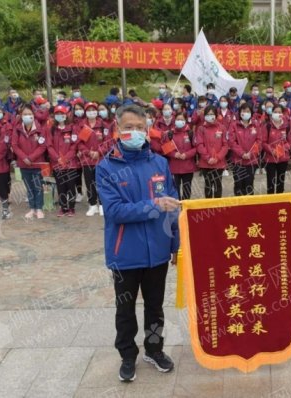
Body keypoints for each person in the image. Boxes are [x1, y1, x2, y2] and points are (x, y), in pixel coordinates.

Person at [96, 104, 180, 382]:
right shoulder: (106, 168)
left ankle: (154, 349)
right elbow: (116, 211)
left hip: (157, 251)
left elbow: (173, 207)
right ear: (117, 130)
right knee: (126, 309)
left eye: (140, 127)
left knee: (155, 307)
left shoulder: (159, 163)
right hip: (124, 254)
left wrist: (174, 244)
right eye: (128, 127)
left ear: (147, 129)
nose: (134, 132)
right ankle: (128, 354)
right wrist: (154, 205)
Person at [11, 104, 47, 219]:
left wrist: (30, 158)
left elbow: (43, 146)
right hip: (23, 164)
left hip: (37, 164)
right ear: (21, 116)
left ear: (34, 115)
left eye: (30, 114)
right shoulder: (17, 129)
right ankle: (32, 208)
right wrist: (24, 158)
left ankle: (39, 208)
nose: (27, 116)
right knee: (29, 187)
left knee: (38, 187)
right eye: (25, 114)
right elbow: (14, 145)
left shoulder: (40, 128)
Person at [76, 102, 111, 216]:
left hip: (101, 160)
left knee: (101, 183)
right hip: (87, 160)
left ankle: (102, 204)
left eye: (94, 110)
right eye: (89, 110)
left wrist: (99, 152)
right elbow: (80, 144)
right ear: (86, 112)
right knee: (89, 183)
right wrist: (89, 152)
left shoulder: (103, 125)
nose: (92, 112)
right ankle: (92, 205)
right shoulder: (82, 126)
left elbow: (107, 142)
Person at [47, 106, 79, 216]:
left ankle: (71, 207)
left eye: (62, 113)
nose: (60, 115)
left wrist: (66, 158)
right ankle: (63, 207)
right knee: (61, 186)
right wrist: (57, 158)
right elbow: (49, 146)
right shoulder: (52, 129)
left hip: (70, 164)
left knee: (71, 186)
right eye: (57, 113)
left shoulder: (72, 128)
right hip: (57, 164)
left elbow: (74, 145)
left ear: (66, 115)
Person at [228, 103, 262, 196]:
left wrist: (251, 153)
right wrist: (242, 153)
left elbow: (259, 141)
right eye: (243, 111)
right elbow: (231, 142)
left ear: (251, 113)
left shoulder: (256, 125)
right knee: (238, 184)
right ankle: (238, 207)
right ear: (239, 113)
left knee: (249, 184)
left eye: (248, 111)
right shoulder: (234, 125)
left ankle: (249, 207)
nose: (245, 113)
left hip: (252, 161)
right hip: (237, 160)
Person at [195, 105, 228, 198]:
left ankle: (217, 206)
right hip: (206, 163)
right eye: (208, 114)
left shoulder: (222, 128)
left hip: (219, 162)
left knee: (218, 184)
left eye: (212, 114)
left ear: (216, 115)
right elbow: (199, 145)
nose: (210, 116)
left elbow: (225, 145)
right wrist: (208, 158)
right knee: (208, 185)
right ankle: (208, 206)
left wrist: (217, 157)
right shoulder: (201, 129)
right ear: (204, 116)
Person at [164, 111, 197, 200]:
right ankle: (178, 207)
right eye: (178, 119)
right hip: (174, 167)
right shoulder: (170, 134)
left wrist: (186, 154)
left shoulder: (190, 133)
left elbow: (195, 148)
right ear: (174, 121)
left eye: (181, 119)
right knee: (175, 189)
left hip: (188, 166)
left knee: (187, 188)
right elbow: (166, 149)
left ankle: (186, 205)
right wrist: (175, 154)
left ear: (185, 121)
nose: (179, 121)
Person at [263, 105, 291, 194]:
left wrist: (282, 149)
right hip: (270, 159)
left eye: (280, 112)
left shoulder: (287, 126)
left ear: (283, 114)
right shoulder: (267, 126)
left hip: (283, 158)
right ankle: (270, 202)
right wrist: (273, 151)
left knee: (280, 182)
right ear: (272, 113)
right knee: (270, 182)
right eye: (275, 112)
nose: (277, 114)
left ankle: (280, 201)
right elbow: (263, 142)